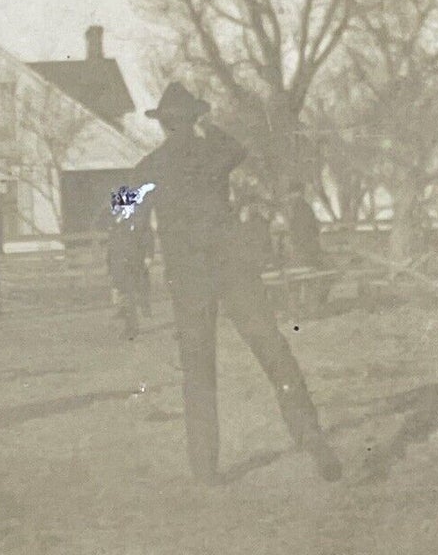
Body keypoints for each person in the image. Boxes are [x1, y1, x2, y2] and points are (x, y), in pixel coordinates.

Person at [132, 82, 342, 487]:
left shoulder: (148, 167)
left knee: (198, 369)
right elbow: (237, 149)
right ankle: (309, 433)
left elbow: (123, 218)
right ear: (193, 119)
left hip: (189, 278)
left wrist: (129, 271)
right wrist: (206, 125)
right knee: (272, 347)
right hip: (233, 268)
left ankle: (205, 468)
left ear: (163, 125)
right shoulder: (214, 152)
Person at [104, 195, 154, 339]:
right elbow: (111, 245)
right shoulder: (114, 223)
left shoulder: (136, 220)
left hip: (131, 263)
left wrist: (148, 256)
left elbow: (147, 237)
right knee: (122, 295)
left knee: (129, 295)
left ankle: (132, 328)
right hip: (117, 264)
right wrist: (109, 263)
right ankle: (129, 323)